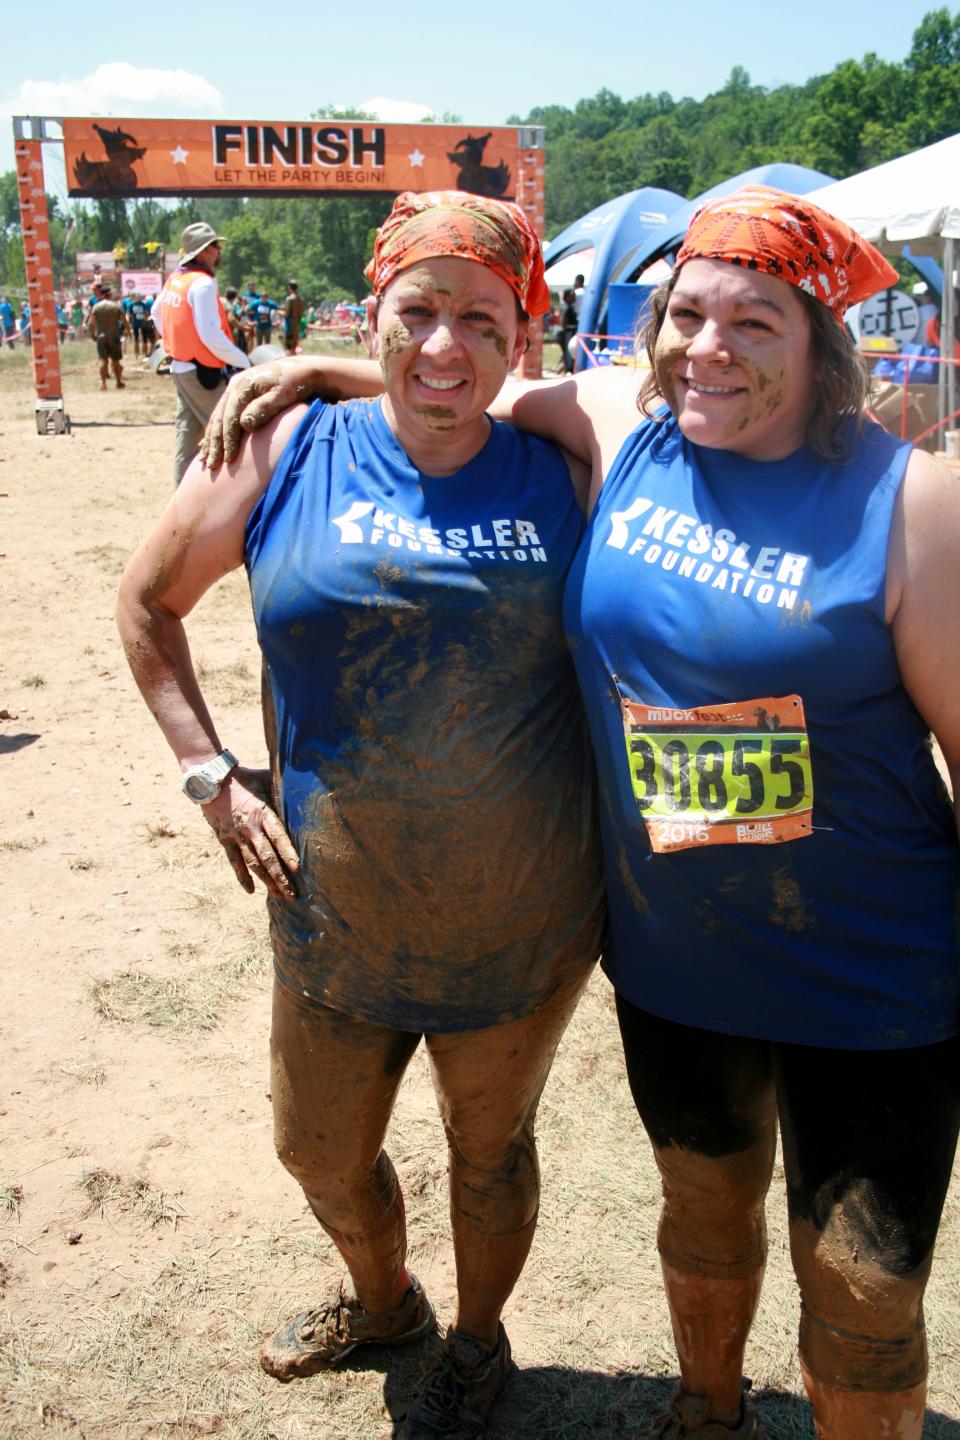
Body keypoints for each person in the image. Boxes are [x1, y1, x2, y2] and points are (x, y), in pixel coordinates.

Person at [204, 185, 960, 1440]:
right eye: (685, 315)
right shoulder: (622, 417)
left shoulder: (908, 498)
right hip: (680, 961)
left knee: (867, 1284)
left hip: (872, 970)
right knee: (702, 1217)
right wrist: (320, 363)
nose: (706, 349)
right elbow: (457, 377)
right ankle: (702, 1416)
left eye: (754, 324)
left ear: (821, 343)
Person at [118, 189, 604, 1440]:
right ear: (373, 310)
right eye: (415, 313)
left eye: (481, 320)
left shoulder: (565, 465)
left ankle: (478, 1344)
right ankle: (383, 1303)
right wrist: (212, 777)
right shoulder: (283, 449)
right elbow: (146, 606)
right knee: (317, 1151)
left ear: (522, 334)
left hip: (521, 905)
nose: (446, 347)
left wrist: (328, 361)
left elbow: (656, 394)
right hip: (330, 902)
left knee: (491, 1153)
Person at [151, 222, 251, 486]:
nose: (219, 251)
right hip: (201, 372)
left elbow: (156, 314)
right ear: (204, 251)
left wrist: (178, 341)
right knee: (231, 435)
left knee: (187, 437)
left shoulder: (177, 279)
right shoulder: (202, 284)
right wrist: (243, 361)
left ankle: (180, 500)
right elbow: (211, 335)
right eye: (215, 246)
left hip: (181, 368)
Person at [88, 284, 127, 389]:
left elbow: (90, 324)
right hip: (114, 336)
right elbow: (124, 320)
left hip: (101, 336)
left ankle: (103, 383)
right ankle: (118, 382)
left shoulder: (96, 307)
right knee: (116, 361)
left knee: (103, 360)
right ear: (109, 294)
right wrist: (128, 331)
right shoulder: (116, 306)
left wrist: (92, 335)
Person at [282, 280, 305, 354]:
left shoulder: (289, 299)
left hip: (289, 322)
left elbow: (287, 312)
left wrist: (281, 313)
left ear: (289, 288)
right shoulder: (301, 299)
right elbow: (302, 311)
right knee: (295, 342)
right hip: (297, 322)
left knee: (288, 344)